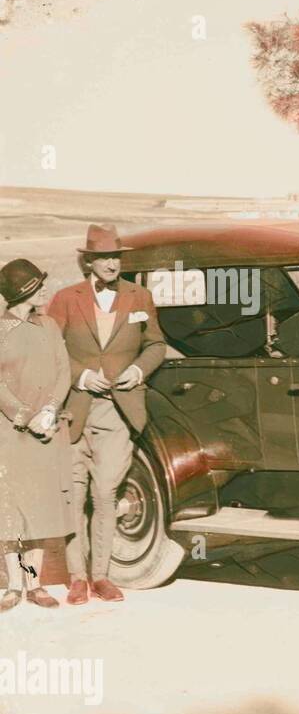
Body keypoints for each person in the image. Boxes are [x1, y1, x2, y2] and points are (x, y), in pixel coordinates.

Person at [44, 224, 165, 604]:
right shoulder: (65, 298)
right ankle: (77, 577)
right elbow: (51, 349)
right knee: (75, 495)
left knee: (106, 491)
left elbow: (156, 344)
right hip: (75, 410)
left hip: (119, 410)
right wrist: (81, 376)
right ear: (89, 261)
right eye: (103, 257)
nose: (112, 264)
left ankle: (103, 575)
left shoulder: (139, 296)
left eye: (116, 257)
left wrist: (139, 370)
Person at [0, 258, 74, 611]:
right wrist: (26, 416)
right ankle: (14, 585)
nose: (44, 289)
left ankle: (35, 584)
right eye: (38, 284)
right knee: (12, 510)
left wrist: (50, 410)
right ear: (23, 292)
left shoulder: (50, 326)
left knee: (41, 509)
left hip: (46, 429)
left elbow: (63, 370)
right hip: (10, 432)